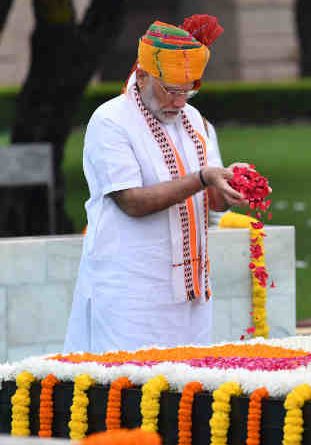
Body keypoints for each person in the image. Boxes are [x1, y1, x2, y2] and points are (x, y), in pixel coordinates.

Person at [64, 16, 249, 353]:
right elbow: (131, 202)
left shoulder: (195, 121)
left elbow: (214, 205)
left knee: (189, 392)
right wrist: (201, 178)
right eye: (171, 91)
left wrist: (229, 185)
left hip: (191, 296)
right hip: (131, 293)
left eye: (189, 90)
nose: (180, 102)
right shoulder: (111, 121)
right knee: (127, 392)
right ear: (143, 74)